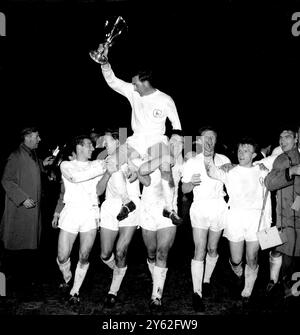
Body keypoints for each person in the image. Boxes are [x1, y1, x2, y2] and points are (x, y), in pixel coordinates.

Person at [96, 43, 183, 225]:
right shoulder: (132, 92)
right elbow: (113, 81)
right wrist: (105, 63)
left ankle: (169, 208)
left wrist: (175, 145)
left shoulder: (165, 99)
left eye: (135, 83)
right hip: (136, 140)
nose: (133, 87)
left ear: (145, 82)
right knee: (112, 163)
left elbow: (177, 126)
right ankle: (127, 202)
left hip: (157, 140)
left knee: (166, 165)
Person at [204, 136, 271, 302]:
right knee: (236, 259)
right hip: (235, 217)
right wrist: (208, 154)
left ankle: (247, 289)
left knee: (252, 257)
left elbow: (278, 161)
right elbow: (211, 171)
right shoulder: (229, 171)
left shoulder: (262, 170)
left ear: (255, 154)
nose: (241, 154)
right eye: (240, 150)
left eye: (246, 151)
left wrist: (268, 223)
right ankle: (239, 273)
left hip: (256, 218)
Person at [96, 130, 149, 307]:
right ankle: (120, 270)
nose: (105, 145)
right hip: (111, 206)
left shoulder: (132, 156)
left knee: (120, 251)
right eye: (104, 143)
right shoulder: (103, 161)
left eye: (108, 141)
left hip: (131, 205)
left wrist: (132, 170)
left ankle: (113, 291)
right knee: (105, 254)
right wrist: (108, 173)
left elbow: (144, 178)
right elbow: (98, 191)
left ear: (118, 143)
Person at [0, 126, 54, 295]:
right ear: (28, 137)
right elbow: (7, 180)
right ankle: (17, 287)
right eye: (37, 136)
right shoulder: (15, 156)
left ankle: (24, 284)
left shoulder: (32, 154)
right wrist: (22, 198)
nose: (40, 139)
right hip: (20, 210)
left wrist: (43, 165)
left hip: (31, 211)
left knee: (28, 248)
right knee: (17, 249)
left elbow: (33, 167)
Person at [181, 126, 230, 311]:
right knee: (199, 250)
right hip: (200, 206)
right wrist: (190, 184)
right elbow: (184, 189)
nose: (208, 141)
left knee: (212, 248)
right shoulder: (192, 161)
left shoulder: (224, 160)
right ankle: (197, 293)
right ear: (200, 141)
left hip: (218, 206)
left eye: (212, 138)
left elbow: (232, 182)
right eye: (205, 138)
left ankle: (207, 279)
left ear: (216, 141)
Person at [55, 135, 107, 305]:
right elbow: (75, 178)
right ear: (79, 147)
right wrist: (101, 169)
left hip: (90, 212)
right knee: (62, 256)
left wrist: (106, 174)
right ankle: (67, 274)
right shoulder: (66, 165)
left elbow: (99, 191)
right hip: (71, 211)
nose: (93, 148)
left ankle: (75, 291)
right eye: (89, 145)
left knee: (84, 255)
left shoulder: (97, 164)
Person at [138, 130, 184, 310]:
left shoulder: (184, 164)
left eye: (181, 142)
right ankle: (155, 272)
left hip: (169, 214)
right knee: (151, 252)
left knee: (162, 252)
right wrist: (163, 160)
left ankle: (156, 295)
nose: (176, 145)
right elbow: (141, 171)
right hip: (149, 211)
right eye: (173, 141)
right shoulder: (153, 154)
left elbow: (187, 186)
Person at [264, 127, 300, 298]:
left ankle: (285, 282)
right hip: (279, 216)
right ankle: (273, 279)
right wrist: (290, 172)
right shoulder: (279, 158)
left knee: (291, 254)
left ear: (296, 138)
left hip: (296, 216)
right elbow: (269, 183)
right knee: (276, 249)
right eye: (281, 137)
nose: (283, 140)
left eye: (287, 137)